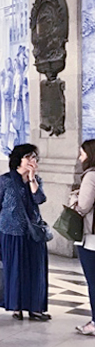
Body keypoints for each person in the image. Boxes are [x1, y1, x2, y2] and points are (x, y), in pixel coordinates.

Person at [0, 143, 50, 321]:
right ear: (19, 159)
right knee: (15, 270)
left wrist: (32, 178)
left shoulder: (37, 180)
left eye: (34, 158)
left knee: (36, 270)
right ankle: (16, 307)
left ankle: (36, 308)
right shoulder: (4, 181)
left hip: (33, 233)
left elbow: (40, 199)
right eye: (29, 157)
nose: (32, 161)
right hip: (11, 231)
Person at [71, 138, 95, 335]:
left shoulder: (91, 176)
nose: (80, 158)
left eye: (83, 153)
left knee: (93, 281)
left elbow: (82, 207)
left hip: (91, 238)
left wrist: (73, 198)